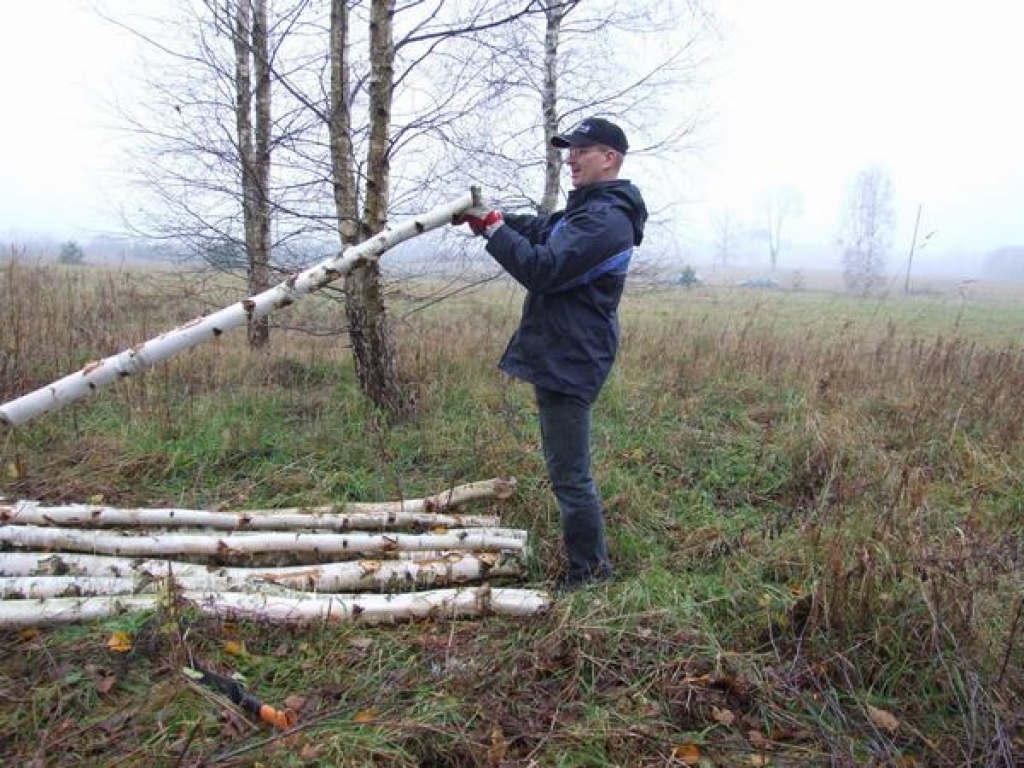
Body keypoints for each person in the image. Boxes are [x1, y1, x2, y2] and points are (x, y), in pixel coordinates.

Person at [455, 116, 648, 590]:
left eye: (581, 150)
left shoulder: (606, 221)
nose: (570, 159)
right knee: (567, 469)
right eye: (569, 150)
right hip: (562, 352)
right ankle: (589, 565)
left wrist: (496, 231)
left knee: (570, 475)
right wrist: (488, 220)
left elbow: (544, 268)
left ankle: (591, 574)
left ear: (610, 158)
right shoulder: (586, 212)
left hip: (572, 358)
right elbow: (542, 229)